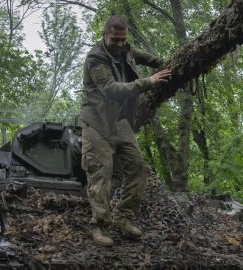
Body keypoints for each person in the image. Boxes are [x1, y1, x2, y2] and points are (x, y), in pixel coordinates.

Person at [80, 15, 171, 247]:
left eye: (123, 40)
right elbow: (112, 90)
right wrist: (149, 82)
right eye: (115, 40)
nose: (120, 44)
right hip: (97, 123)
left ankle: (124, 217)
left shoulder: (125, 48)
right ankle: (99, 225)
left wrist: (165, 63)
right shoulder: (96, 57)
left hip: (119, 121)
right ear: (105, 34)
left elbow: (144, 56)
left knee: (138, 169)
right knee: (101, 175)